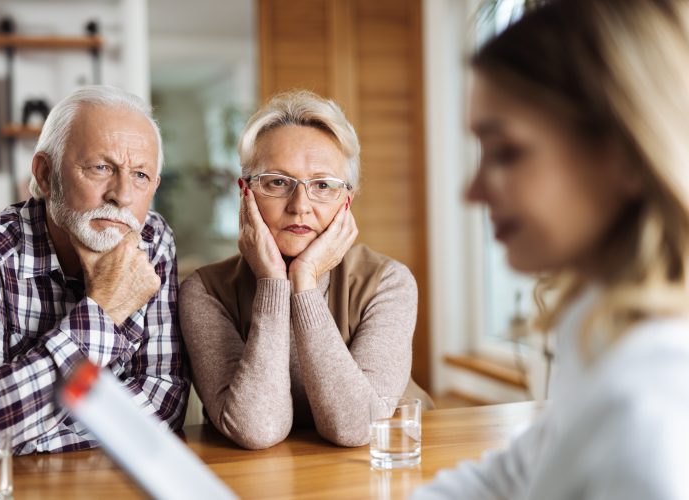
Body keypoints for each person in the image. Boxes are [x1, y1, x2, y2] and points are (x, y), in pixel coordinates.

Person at [413, 0, 689, 498]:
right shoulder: (600, 333)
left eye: (504, 153)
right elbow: (516, 474)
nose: (471, 192)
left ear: (624, 153)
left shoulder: (649, 413)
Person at [0, 85, 188, 461]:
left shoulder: (154, 240)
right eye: (101, 167)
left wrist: (10, 439)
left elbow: (164, 400)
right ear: (45, 175)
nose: (123, 195)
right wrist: (104, 311)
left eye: (141, 175)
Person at [179, 90, 433, 450]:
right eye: (278, 182)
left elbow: (357, 428)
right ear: (245, 192)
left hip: (378, 471)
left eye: (323, 185)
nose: (300, 206)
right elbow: (257, 427)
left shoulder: (388, 282)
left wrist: (305, 281)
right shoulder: (204, 291)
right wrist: (272, 283)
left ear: (347, 200)